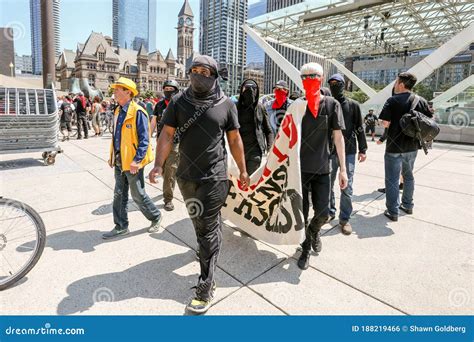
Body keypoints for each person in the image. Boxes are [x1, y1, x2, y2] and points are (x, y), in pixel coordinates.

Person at [148, 55, 250, 314]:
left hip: (215, 176)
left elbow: (235, 139)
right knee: (200, 224)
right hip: (185, 176)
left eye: (204, 71)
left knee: (206, 229)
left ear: (214, 75)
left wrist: (243, 169)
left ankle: (206, 285)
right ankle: (210, 245)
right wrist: (159, 164)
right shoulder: (179, 102)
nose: (197, 75)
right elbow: (167, 134)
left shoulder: (226, 104)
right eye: (193, 70)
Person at [296, 63, 348, 270]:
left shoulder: (332, 104)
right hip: (299, 169)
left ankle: (314, 231)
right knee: (302, 212)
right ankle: (306, 247)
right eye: (305, 76)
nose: (309, 79)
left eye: (314, 76)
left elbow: (338, 137)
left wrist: (343, 169)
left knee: (324, 213)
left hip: (324, 168)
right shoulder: (297, 105)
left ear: (322, 77)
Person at [102, 77, 162, 239]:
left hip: (133, 161)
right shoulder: (116, 111)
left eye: (118, 89)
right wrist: (112, 157)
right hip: (120, 160)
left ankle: (155, 216)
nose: (114, 91)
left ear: (128, 92)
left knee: (138, 194)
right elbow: (116, 137)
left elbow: (145, 139)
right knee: (119, 194)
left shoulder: (138, 111)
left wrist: (137, 160)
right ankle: (121, 226)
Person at [379, 72, 432, 221]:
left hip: (394, 148)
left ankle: (392, 211)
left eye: (396, 83)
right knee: (408, 177)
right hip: (412, 147)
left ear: (401, 84)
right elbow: (429, 121)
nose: (395, 86)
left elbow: (386, 123)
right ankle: (408, 205)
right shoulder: (421, 101)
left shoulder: (392, 100)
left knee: (392, 179)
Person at [327, 74, 367, 235]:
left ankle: (344, 219)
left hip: (349, 151)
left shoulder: (353, 105)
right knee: (327, 184)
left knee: (347, 186)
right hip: (329, 151)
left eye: (337, 83)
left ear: (344, 85)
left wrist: (363, 149)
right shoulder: (328, 104)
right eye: (331, 83)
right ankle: (330, 211)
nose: (334, 85)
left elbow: (360, 128)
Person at [150, 79, 181, 212]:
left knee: (170, 169)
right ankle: (169, 183)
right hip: (160, 142)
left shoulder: (180, 105)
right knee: (162, 168)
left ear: (176, 91)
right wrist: (147, 138)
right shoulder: (159, 105)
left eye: (171, 90)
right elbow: (154, 121)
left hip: (175, 142)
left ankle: (168, 199)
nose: (168, 92)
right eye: (166, 89)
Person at [236, 79, 274, 175]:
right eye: (247, 88)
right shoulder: (235, 108)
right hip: (238, 151)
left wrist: (270, 149)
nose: (250, 91)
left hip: (255, 151)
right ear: (242, 90)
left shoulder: (260, 107)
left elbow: (268, 130)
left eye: (253, 88)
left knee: (251, 179)